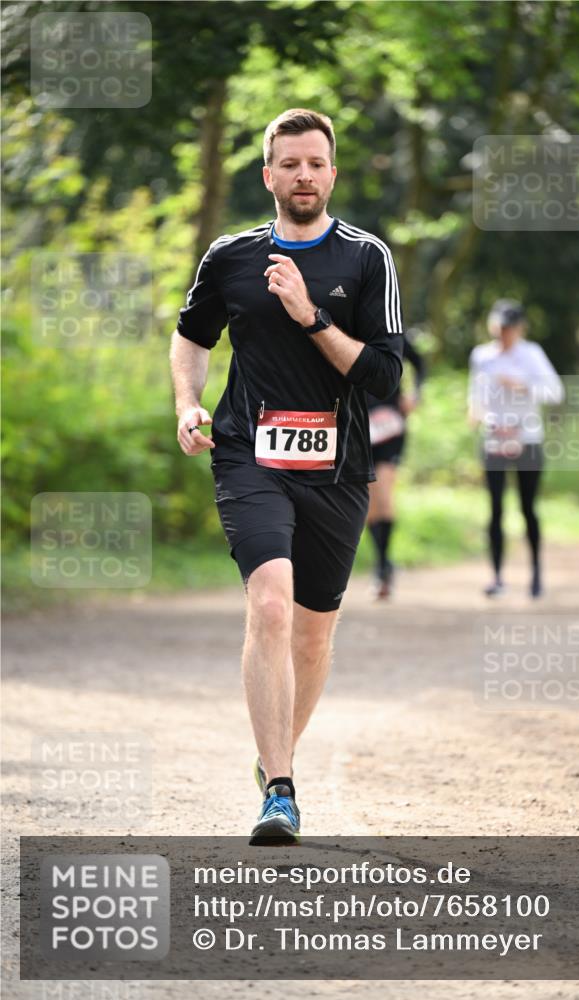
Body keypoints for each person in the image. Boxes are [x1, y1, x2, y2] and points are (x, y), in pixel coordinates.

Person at [169, 108, 403, 845]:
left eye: (315, 163)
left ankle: (273, 758)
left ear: (332, 173)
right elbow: (191, 336)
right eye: (289, 163)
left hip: (339, 467)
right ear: (267, 173)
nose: (303, 175)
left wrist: (309, 315)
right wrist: (187, 402)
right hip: (248, 453)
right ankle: (281, 789)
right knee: (269, 604)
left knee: (311, 637)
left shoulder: (367, 259)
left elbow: (383, 377)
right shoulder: (229, 257)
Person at [468, 299, 564, 598]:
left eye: (509, 329)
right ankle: (497, 577)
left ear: (520, 328)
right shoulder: (482, 355)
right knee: (495, 509)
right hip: (495, 439)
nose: (504, 334)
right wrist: (477, 413)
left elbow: (555, 391)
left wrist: (522, 385)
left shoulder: (532, 354)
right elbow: (476, 393)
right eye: (499, 328)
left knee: (527, 508)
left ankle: (536, 572)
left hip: (527, 439)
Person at [366, 334, 425, 598]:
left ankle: (383, 566)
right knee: (369, 504)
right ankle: (383, 562)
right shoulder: (344, 323)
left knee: (385, 496)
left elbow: (419, 362)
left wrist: (415, 394)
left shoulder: (393, 329)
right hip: (359, 426)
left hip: (390, 425)